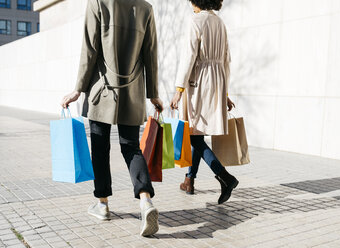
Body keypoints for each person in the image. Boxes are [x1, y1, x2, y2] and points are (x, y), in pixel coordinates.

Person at [61, 0, 162, 237]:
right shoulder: (145, 8)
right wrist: (153, 94)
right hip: (132, 92)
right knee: (131, 148)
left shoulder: (98, 2)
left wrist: (78, 89)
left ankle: (103, 204)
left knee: (100, 147)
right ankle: (145, 201)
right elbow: (151, 54)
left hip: (101, 90)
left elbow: (90, 48)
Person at [170, 0, 238, 204]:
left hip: (198, 81)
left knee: (193, 136)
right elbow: (227, 59)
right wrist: (224, 93)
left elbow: (188, 56)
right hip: (217, 81)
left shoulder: (196, 21)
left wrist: (179, 89)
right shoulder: (220, 23)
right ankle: (189, 180)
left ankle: (224, 177)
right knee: (196, 133)